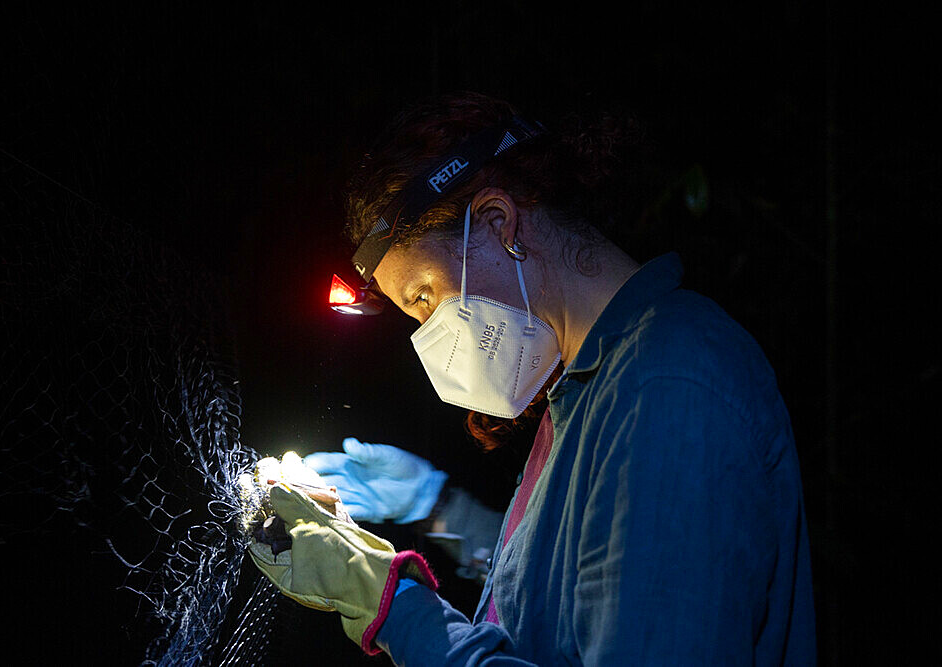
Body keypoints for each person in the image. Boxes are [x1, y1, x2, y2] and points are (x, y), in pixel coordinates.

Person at [249, 91, 816, 665]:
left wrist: (386, 601)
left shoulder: (667, 387)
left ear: (498, 224)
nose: (428, 337)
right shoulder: (586, 390)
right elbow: (569, 603)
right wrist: (435, 504)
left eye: (424, 300)